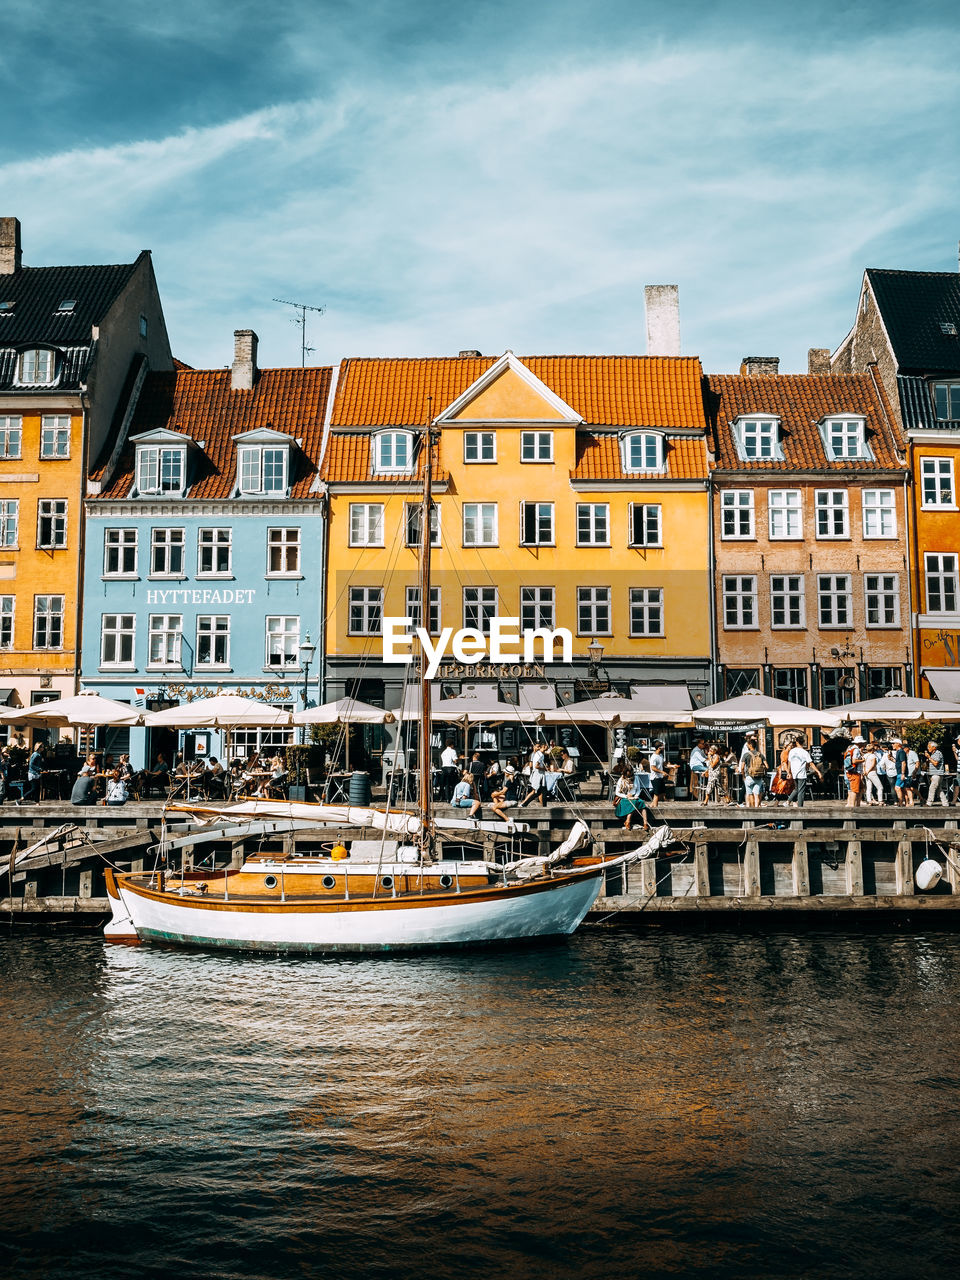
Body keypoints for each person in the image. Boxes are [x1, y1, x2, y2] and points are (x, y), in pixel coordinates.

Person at [786, 735, 821, 808]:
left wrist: (789, 772)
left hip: (794, 773)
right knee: (801, 791)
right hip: (801, 773)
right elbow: (811, 763)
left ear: (797, 742)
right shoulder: (805, 752)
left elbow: (789, 762)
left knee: (796, 789)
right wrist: (818, 771)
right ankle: (800, 807)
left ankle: (788, 801)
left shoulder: (792, 751)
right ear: (803, 742)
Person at [613, 764, 648, 831]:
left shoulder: (636, 778)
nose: (629, 776)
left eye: (630, 774)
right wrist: (626, 796)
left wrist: (636, 796)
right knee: (633, 803)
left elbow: (638, 789)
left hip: (634, 796)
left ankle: (645, 823)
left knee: (641, 802)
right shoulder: (621, 780)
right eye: (628, 774)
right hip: (624, 798)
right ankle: (628, 821)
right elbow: (617, 792)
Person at [740, 736, 768, 809]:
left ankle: (748, 809)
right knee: (756, 795)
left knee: (748, 794)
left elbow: (742, 767)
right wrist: (762, 771)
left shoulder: (746, 755)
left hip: (749, 776)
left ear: (750, 745)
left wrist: (743, 776)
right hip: (758, 777)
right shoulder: (760, 755)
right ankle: (756, 809)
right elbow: (767, 766)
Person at [843, 736, 865, 808]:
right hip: (854, 772)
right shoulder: (856, 750)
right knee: (854, 789)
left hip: (852, 771)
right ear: (860, 743)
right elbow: (854, 761)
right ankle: (852, 805)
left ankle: (856, 804)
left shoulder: (851, 748)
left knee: (861, 788)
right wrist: (863, 760)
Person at [925, 740, 947, 806]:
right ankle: (945, 803)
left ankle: (929, 802)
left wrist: (929, 757)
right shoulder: (933, 754)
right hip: (934, 774)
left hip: (937, 774)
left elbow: (935, 763)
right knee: (939, 789)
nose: (928, 748)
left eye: (929, 747)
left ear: (934, 747)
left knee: (932, 788)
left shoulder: (937, 753)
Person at [648, 740, 667, 808]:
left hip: (660, 777)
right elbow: (653, 768)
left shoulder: (661, 755)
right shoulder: (654, 757)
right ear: (659, 748)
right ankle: (655, 807)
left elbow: (664, 764)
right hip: (655, 777)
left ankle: (652, 805)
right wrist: (662, 772)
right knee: (657, 794)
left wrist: (673, 766)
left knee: (662, 793)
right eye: (663, 747)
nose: (664, 748)